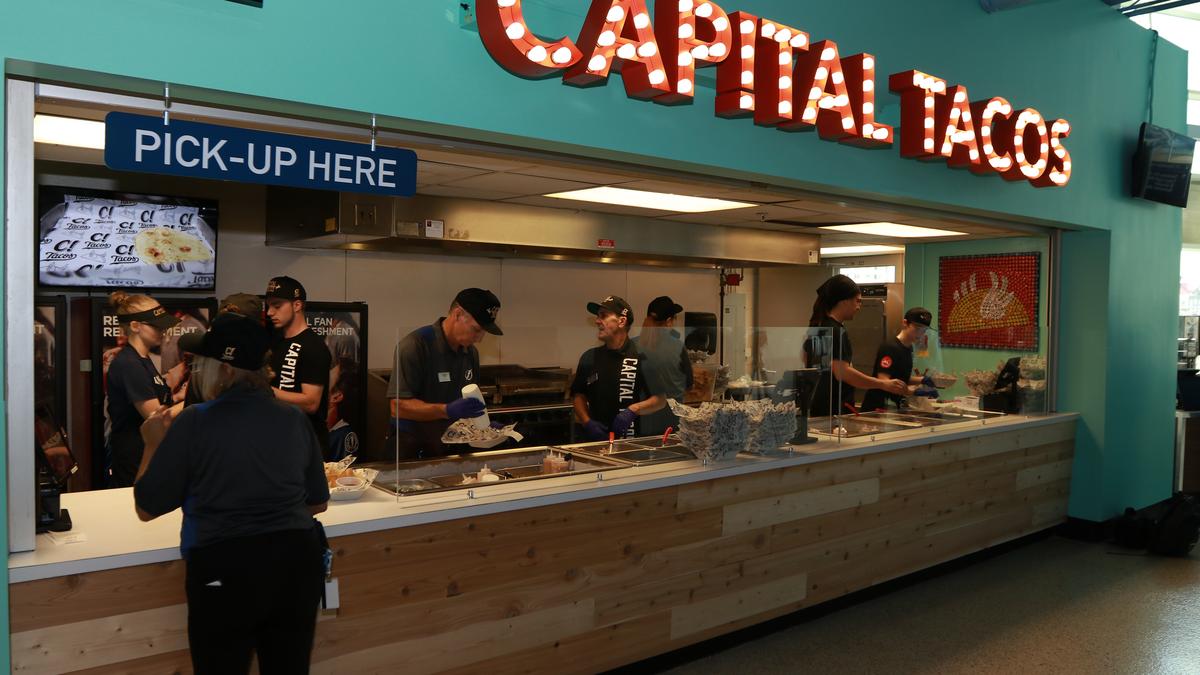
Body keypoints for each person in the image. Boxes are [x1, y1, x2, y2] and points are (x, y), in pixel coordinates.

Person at [133, 312, 330, 675]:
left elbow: (147, 506)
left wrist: (151, 445)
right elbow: (318, 501)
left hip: (223, 570)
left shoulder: (195, 421)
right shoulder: (293, 419)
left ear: (224, 370)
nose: (196, 372)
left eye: (202, 364)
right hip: (295, 567)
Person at [387, 288, 501, 459]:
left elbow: (468, 405)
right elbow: (398, 407)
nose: (480, 338)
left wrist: (482, 425)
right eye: (477, 329)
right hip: (412, 449)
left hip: (449, 448)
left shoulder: (471, 353)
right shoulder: (415, 346)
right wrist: (446, 410)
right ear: (457, 314)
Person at [104, 291, 180, 487]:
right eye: (156, 326)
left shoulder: (142, 359)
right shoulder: (129, 363)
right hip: (135, 461)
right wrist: (197, 403)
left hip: (149, 454)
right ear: (135, 326)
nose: (162, 331)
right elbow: (156, 417)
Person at [804, 275, 908, 418]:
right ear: (844, 301)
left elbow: (806, 359)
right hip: (835, 410)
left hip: (819, 408)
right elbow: (842, 373)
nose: (859, 307)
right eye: (857, 301)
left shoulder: (819, 327)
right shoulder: (836, 331)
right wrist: (883, 384)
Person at [572, 295, 666, 441]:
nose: (597, 321)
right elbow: (579, 395)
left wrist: (633, 410)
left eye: (603, 316)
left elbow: (660, 399)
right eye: (597, 316)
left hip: (632, 444)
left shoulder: (643, 356)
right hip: (597, 444)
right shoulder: (589, 357)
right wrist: (587, 422)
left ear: (621, 321)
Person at [265, 277, 332, 451]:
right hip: (278, 439)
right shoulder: (274, 342)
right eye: (269, 306)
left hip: (306, 443)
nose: (270, 312)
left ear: (297, 305)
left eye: (277, 306)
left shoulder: (313, 346)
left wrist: (265, 390)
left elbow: (311, 402)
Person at [632, 296, 693, 436]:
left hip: (641, 421)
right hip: (671, 422)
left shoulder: (632, 346)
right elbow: (689, 384)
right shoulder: (678, 347)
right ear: (669, 322)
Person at [861, 307, 935, 412]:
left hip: (894, 406)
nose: (920, 334)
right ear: (905, 323)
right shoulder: (890, 347)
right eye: (917, 328)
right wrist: (912, 392)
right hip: (879, 407)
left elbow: (900, 377)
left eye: (924, 330)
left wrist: (923, 380)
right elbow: (883, 380)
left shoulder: (909, 347)